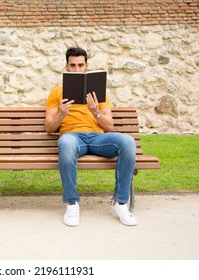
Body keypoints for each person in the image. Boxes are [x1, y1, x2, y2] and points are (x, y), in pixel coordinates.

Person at [45, 47, 137, 227]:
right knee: (66, 143)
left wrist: (96, 112)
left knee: (127, 141)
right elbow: (49, 128)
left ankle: (120, 203)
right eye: (73, 65)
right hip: (72, 137)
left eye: (81, 65)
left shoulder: (99, 92)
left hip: (97, 138)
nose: (77, 69)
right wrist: (61, 114)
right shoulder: (56, 93)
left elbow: (110, 126)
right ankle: (72, 203)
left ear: (87, 66)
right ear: (67, 67)